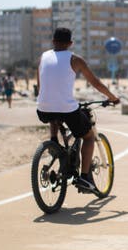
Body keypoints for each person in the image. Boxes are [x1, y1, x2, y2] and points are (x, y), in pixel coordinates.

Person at [36, 27, 120, 193]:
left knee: (54, 114)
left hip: (43, 108)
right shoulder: (75, 59)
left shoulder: (43, 57)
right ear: (70, 43)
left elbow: (40, 85)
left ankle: (54, 141)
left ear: (53, 41)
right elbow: (96, 83)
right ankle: (84, 177)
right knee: (88, 137)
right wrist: (112, 97)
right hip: (66, 109)